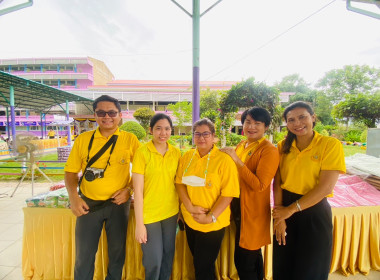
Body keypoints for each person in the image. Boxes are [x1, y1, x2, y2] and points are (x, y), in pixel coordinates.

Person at [64, 95, 141, 280]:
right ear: (95, 115)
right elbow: (70, 172)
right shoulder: (83, 140)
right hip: (88, 205)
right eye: (101, 112)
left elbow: (140, 172)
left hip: (117, 205)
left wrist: (129, 190)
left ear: (120, 115)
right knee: (84, 254)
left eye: (112, 112)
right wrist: (74, 198)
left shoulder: (130, 139)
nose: (107, 117)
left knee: (117, 253)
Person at [272, 101, 346, 280]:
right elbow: (278, 181)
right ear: (286, 124)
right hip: (286, 208)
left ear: (313, 117)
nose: (297, 123)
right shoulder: (283, 146)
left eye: (302, 117)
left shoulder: (330, 144)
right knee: (283, 266)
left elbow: (326, 187)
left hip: (314, 211)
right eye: (291, 120)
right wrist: (280, 216)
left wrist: (289, 211)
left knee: (311, 268)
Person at [175, 118, 240, 280]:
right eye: (197, 134)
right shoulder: (187, 156)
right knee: (199, 263)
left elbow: (228, 193)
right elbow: (179, 184)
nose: (201, 138)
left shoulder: (224, 160)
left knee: (203, 266)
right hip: (191, 219)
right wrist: (189, 208)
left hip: (213, 223)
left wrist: (210, 217)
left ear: (213, 136)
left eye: (206, 134)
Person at [220, 107, 279, 280]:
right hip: (238, 207)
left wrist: (236, 160)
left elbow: (260, 185)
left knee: (244, 261)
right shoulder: (242, 144)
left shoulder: (268, 150)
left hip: (253, 211)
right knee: (253, 257)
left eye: (257, 123)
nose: (251, 127)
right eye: (248, 122)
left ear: (266, 126)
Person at [132, 113, 181, 280]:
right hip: (149, 215)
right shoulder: (142, 152)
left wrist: (181, 211)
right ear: (151, 130)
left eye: (167, 129)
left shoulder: (176, 153)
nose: (163, 133)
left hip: (171, 212)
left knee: (168, 256)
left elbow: (178, 185)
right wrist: (139, 224)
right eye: (158, 128)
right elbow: (137, 190)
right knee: (154, 260)